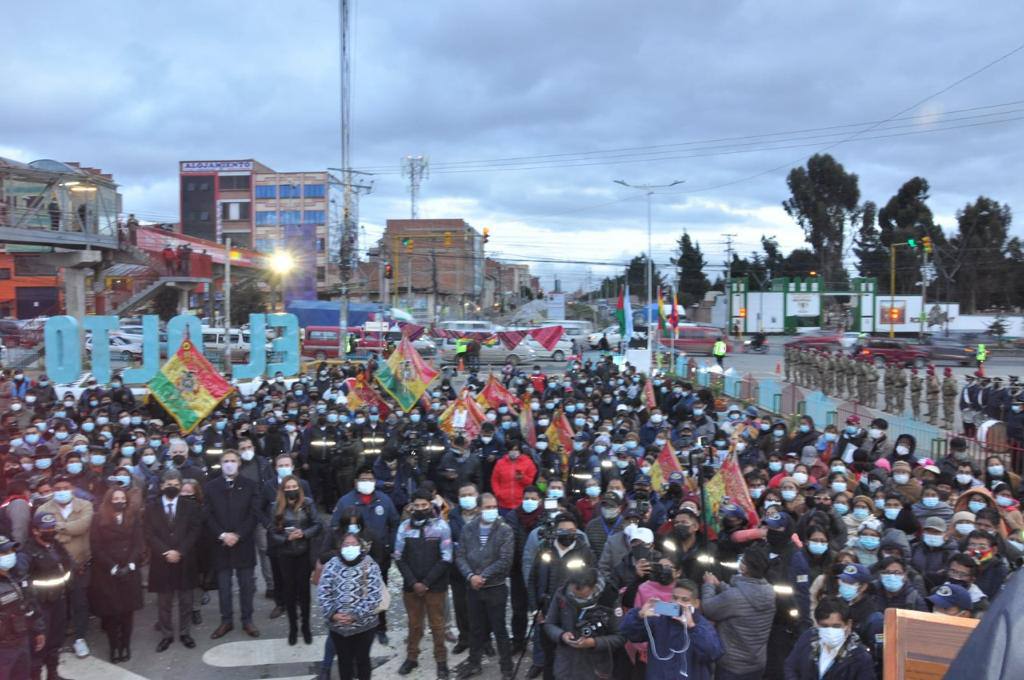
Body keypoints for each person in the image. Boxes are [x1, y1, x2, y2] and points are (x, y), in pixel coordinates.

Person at [454, 492, 515, 679]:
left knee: (499, 629)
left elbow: (505, 560)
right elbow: (460, 556)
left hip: (495, 587)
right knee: (476, 628)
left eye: (494, 507)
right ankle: (474, 663)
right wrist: (471, 576)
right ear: (479, 509)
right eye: (487, 507)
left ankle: (506, 668)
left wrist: (483, 576)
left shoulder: (505, 530)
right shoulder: (468, 529)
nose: (492, 511)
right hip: (473, 587)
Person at [394, 488, 454, 679]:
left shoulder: (441, 527)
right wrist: (413, 582)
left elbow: (446, 558)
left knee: (437, 625)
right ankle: (412, 658)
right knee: (414, 624)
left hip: (434, 586)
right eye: (416, 505)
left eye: (424, 505)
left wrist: (426, 582)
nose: (420, 508)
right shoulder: (404, 527)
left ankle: (441, 660)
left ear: (431, 505)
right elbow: (398, 556)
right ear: (411, 507)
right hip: (411, 586)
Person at [204, 449, 262, 639]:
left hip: (243, 543)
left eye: (233, 460)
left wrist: (238, 534)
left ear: (239, 463)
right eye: (226, 461)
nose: (229, 464)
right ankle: (226, 620)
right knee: (224, 586)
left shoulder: (250, 485)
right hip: (221, 544)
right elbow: (207, 514)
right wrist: (222, 535)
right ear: (221, 464)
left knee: (246, 585)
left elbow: (254, 514)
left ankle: (247, 620)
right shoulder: (211, 486)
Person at [620, 578, 724, 680]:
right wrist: (639, 616)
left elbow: (713, 654)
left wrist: (692, 627)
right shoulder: (659, 618)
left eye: (684, 600)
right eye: (675, 598)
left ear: (696, 603)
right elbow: (629, 633)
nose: (678, 603)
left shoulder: (702, 624)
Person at [145, 469, 202, 653]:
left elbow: (194, 531)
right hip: (162, 560)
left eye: (176, 485)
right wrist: (165, 552)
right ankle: (166, 634)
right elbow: (148, 534)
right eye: (169, 484)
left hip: (184, 560)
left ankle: (185, 632)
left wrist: (180, 551)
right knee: (164, 602)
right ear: (161, 486)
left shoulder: (190, 506)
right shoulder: (151, 507)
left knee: (186, 599)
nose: (172, 487)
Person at [701, 543, 776, 680]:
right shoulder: (769, 592)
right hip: (757, 664)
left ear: (744, 567)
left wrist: (709, 585)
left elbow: (708, 608)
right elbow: (743, 597)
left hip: (732, 667)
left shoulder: (734, 597)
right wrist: (721, 585)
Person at [37, 475, 93, 659]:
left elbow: (82, 526)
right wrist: (69, 531)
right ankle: (57, 640)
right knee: (57, 605)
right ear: (53, 490)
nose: (62, 491)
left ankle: (80, 638)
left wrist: (58, 528)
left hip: (80, 564)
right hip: (55, 567)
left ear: (72, 488)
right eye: (58, 488)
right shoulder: (43, 508)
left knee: (80, 602)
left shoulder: (85, 505)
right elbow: (45, 533)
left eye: (66, 487)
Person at [318, 532, 386, 680]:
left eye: (353, 544)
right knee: (344, 661)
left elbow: (375, 595)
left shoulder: (370, 565)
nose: (350, 547)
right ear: (340, 547)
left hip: (364, 626)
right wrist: (333, 614)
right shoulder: (332, 565)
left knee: (362, 660)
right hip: (338, 627)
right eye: (346, 544)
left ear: (360, 547)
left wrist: (355, 615)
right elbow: (323, 592)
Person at [89, 486, 145, 663]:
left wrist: (130, 564)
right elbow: (96, 547)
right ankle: (114, 647)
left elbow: (138, 544)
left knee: (127, 613)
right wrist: (113, 567)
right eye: (115, 498)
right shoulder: (98, 519)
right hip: (107, 572)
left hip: (129, 570)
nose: (119, 501)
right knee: (112, 613)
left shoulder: (133, 518)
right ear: (109, 500)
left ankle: (125, 645)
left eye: (122, 498)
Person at [269, 474, 323, 646]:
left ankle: (306, 626)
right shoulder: (276, 506)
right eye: (288, 487)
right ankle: (293, 628)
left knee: (304, 592)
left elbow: (318, 524)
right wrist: (286, 538)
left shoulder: (307, 503)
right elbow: (272, 532)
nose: (291, 490)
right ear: (283, 490)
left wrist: (304, 533)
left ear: (299, 488)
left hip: (303, 553)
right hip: (285, 554)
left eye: (294, 487)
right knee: (289, 592)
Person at [542, 567, 624, 680]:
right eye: (573, 593)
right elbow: (549, 624)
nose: (575, 597)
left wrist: (594, 642)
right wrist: (561, 635)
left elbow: (620, 637)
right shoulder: (562, 593)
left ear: (594, 587)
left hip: (595, 669)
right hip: (566, 665)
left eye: (582, 595)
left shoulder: (610, 599)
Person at [22, 512, 72, 680]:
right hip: (40, 605)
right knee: (38, 646)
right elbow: (24, 585)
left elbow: (68, 563)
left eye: (52, 527)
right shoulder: (27, 552)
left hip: (58, 600)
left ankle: (53, 675)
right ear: (35, 531)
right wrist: (33, 613)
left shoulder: (55, 545)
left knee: (55, 641)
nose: (50, 531)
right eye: (46, 528)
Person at [783, 597, 875, 680]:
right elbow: (790, 667)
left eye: (836, 626)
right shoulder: (808, 638)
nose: (830, 631)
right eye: (824, 626)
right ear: (817, 624)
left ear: (848, 625)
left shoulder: (860, 657)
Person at [0, 534, 46, 679]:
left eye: (12, 551)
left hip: (22, 642)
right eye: (4, 552)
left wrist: (38, 630)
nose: (10, 555)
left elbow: (30, 604)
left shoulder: (18, 575)